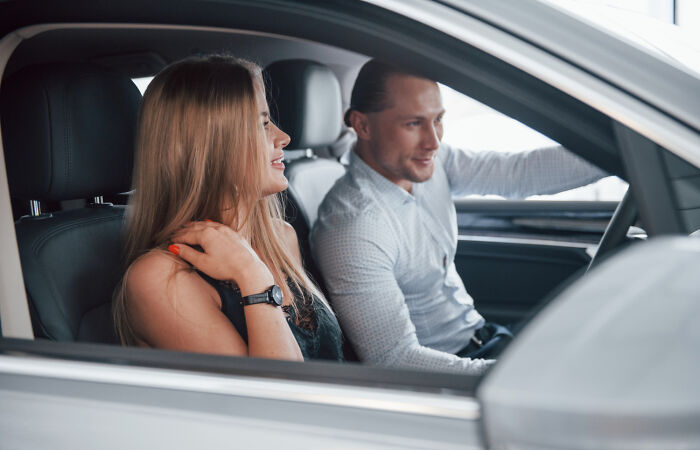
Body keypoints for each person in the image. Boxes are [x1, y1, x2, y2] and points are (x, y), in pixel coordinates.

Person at [311, 60, 605, 374]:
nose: (433, 142)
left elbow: (520, 173)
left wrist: (620, 154)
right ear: (363, 126)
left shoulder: (429, 162)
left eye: (438, 120)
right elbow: (394, 358)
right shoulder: (353, 226)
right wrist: (514, 376)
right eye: (413, 123)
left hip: (485, 338)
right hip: (451, 374)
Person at [113, 55, 342, 362]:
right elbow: (276, 401)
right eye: (262, 125)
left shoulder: (280, 237)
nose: (284, 137)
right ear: (210, 146)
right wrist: (252, 275)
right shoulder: (160, 279)